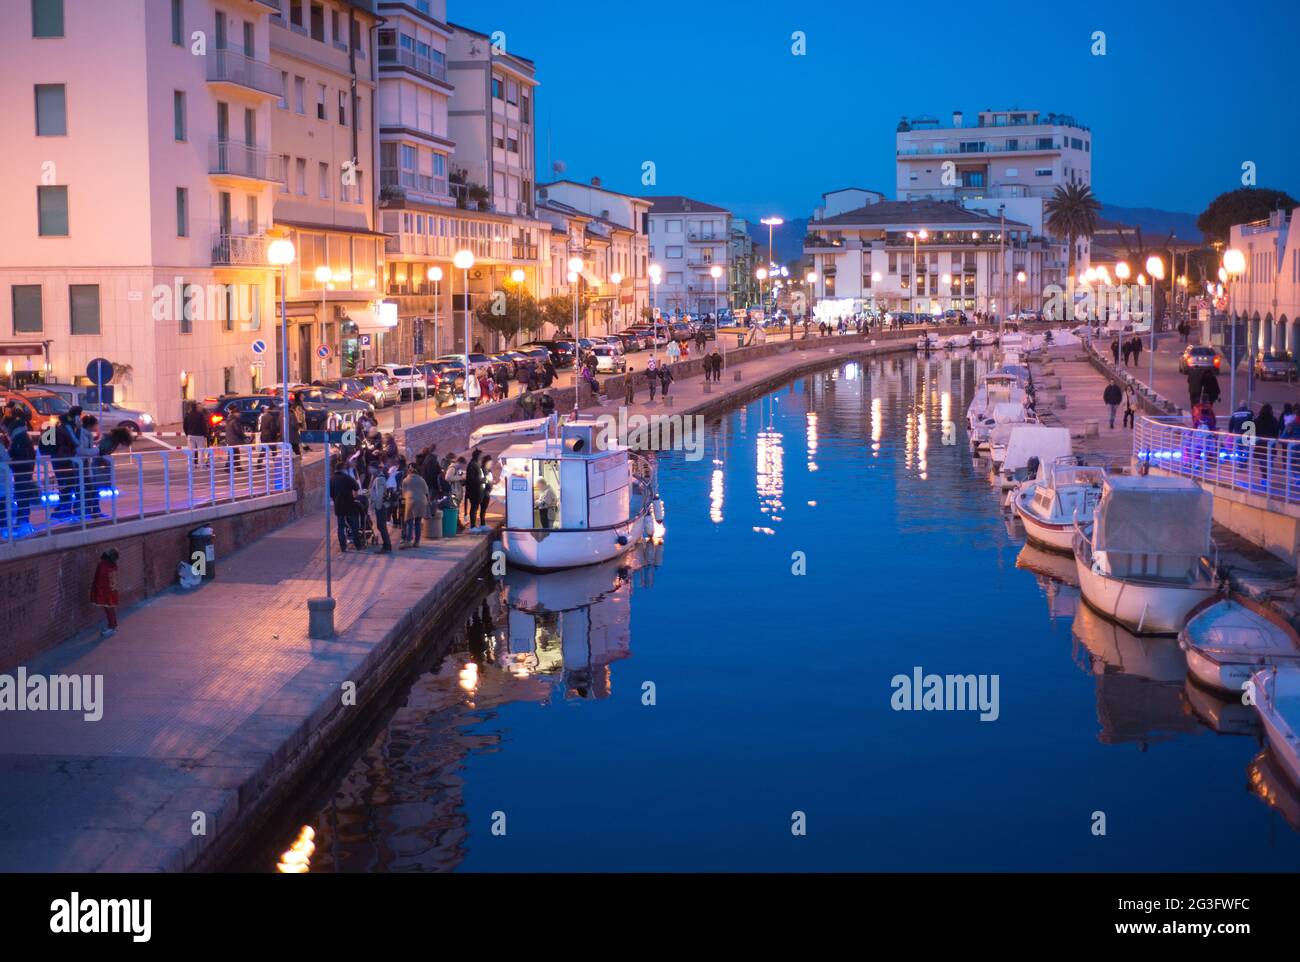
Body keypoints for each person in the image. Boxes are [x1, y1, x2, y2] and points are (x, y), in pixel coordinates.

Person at [329, 462, 364, 551]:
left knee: (341, 526)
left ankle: (343, 546)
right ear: (343, 469)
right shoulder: (347, 478)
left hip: (338, 505)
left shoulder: (331, 479)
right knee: (354, 525)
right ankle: (358, 545)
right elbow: (356, 487)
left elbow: (331, 494)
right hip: (349, 504)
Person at [90, 548, 120, 637]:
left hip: (105, 592)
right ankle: (113, 625)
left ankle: (112, 627)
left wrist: (98, 592)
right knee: (111, 609)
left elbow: (99, 579)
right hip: (112, 590)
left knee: (109, 609)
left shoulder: (103, 565)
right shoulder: (113, 565)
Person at [399, 463, 430, 547]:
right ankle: (417, 542)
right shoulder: (422, 479)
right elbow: (426, 491)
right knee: (417, 522)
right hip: (421, 502)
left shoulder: (406, 480)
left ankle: (408, 540)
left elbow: (403, 493)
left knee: (409, 521)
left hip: (411, 502)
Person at [366, 464, 392, 552]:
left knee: (381, 526)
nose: (369, 471)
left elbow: (380, 494)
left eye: (370, 469)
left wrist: (377, 507)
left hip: (381, 506)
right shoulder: (377, 478)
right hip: (381, 506)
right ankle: (386, 545)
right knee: (381, 526)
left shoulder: (379, 479)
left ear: (375, 469)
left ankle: (387, 546)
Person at [183, 400, 209, 467]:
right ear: (196, 407)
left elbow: (185, 426)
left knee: (191, 451)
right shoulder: (200, 415)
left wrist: (187, 434)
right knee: (201, 451)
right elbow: (204, 425)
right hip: (200, 435)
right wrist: (205, 434)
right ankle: (201, 465)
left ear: (190, 408)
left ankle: (191, 465)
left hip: (190, 435)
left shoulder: (187, 415)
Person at [473, 454, 494, 528]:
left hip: (486, 492)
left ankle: (482, 523)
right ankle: (476, 525)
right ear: (486, 462)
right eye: (490, 463)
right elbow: (482, 480)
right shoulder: (481, 470)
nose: (491, 464)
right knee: (478, 509)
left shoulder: (488, 470)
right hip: (482, 492)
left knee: (483, 509)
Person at [464, 448, 483, 524]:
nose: (481, 457)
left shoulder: (475, 464)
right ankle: (472, 525)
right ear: (477, 456)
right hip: (473, 491)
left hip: (475, 490)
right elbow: (472, 479)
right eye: (481, 455)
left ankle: (473, 525)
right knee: (474, 508)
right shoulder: (473, 465)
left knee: (475, 507)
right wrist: (481, 480)